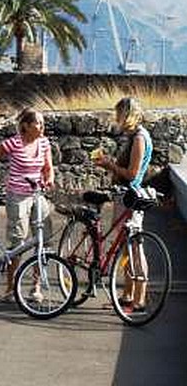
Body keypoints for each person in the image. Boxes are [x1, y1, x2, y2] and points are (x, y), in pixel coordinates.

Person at [0, 108, 54, 302]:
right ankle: (10, 288)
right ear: (26, 126)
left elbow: (47, 168)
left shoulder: (44, 143)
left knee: (42, 241)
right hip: (17, 196)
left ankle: (35, 287)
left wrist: (49, 179)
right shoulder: (14, 143)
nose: (42, 126)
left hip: (38, 194)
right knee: (17, 242)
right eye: (38, 123)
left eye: (43, 123)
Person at [92, 96, 153, 312]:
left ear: (127, 114)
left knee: (135, 248)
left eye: (119, 114)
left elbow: (132, 174)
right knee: (127, 250)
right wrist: (110, 165)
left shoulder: (139, 138)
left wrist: (110, 165)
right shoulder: (136, 136)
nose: (116, 118)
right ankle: (128, 295)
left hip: (130, 198)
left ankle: (140, 298)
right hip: (126, 197)